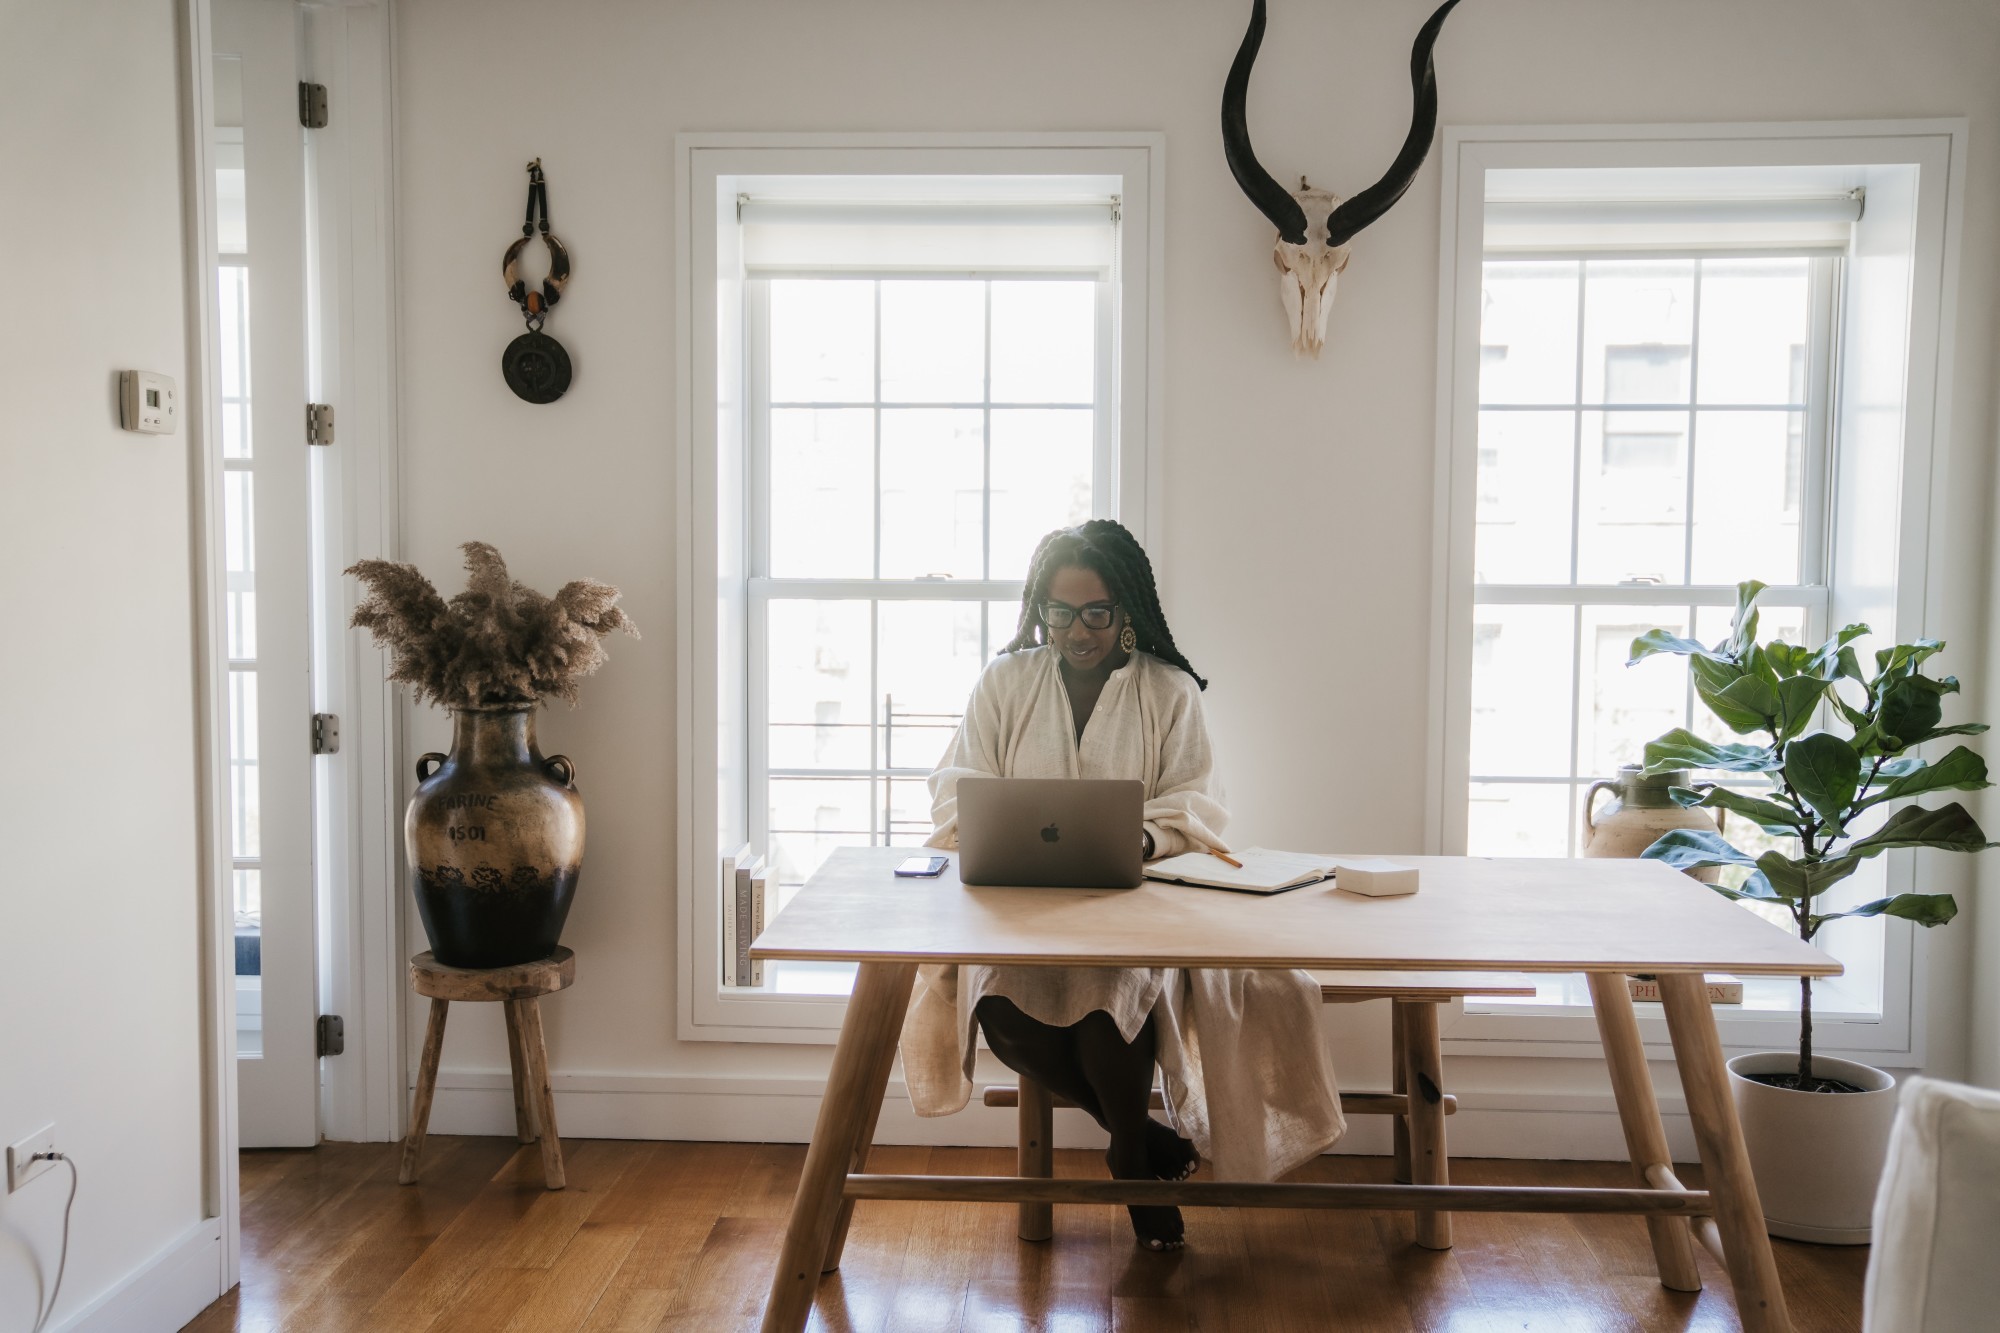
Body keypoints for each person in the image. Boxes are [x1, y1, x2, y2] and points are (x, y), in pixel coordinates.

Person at [898, 519, 1345, 1251]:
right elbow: (957, 785)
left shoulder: (1169, 691)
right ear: (1039, 607)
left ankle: (1130, 1154)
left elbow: (1196, 800)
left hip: (1135, 903)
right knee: (1000, 1001)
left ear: (1128, 608)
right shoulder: (1004, 681)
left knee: (1116, 996)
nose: (1077, 630)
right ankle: (1137, 1142)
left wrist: (1139, 837)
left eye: (1097, 612)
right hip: (1017, 908)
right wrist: (993, 827)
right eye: (1060, 611)